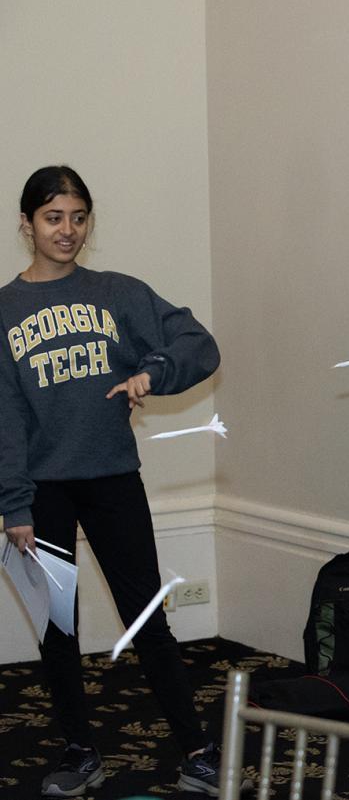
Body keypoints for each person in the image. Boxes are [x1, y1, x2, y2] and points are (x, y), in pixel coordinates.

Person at [0, 165, 222, 796]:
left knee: (146, 615)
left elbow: (198, 344)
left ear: (87, 222)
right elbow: (5, 416)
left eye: (77, 217)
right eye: (52, 218)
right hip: (41, 492)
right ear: (26, 224)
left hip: (113, 478)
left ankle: (198, 749)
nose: (66, 230)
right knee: (57, 627)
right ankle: (79, 750)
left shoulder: (118, 293)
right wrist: (14, 504)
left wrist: (156, 368)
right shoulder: (5, 310)